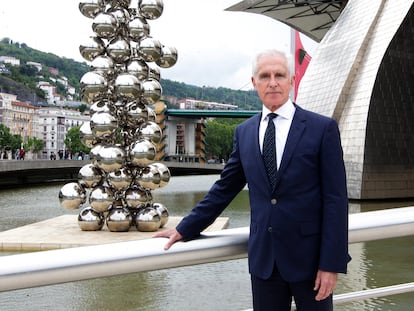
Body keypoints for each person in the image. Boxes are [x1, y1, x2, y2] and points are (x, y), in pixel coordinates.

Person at [154, 50, 351, 310]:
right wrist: (186, 228)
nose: (272, 82)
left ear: (291, 80)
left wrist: (331, 263)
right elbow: (225, 187)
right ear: (254, 82)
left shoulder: (322, 129)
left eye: (279, 75)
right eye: (264, 76)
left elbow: (336, 200)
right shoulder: (244, 133)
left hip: (312, 262)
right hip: (264, 262)